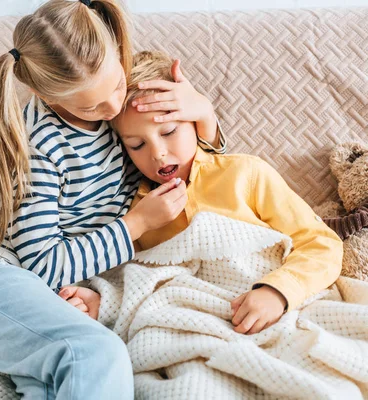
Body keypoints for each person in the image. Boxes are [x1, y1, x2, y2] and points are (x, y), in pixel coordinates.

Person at [0, 1, 226, 398]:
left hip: (65, 300)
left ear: (117, 48)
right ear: (46, 94)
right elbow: (42, 266)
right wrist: (137, 224)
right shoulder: (40, 146)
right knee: (98, 354)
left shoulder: (126, 99)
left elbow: (208, 182)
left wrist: (204, 115)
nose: (113, 108)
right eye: (90, 106)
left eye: (115, 85)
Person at [99, 50, 342, 336]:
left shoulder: (245, 174)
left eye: (168, 132)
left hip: (273, 308)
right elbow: (138, 282)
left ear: (194, 121)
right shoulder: (140, 212)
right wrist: (103, 300)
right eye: (137, 145)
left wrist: (279, 291)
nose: (158, 153)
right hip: (194, 324)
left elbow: (322, 243)